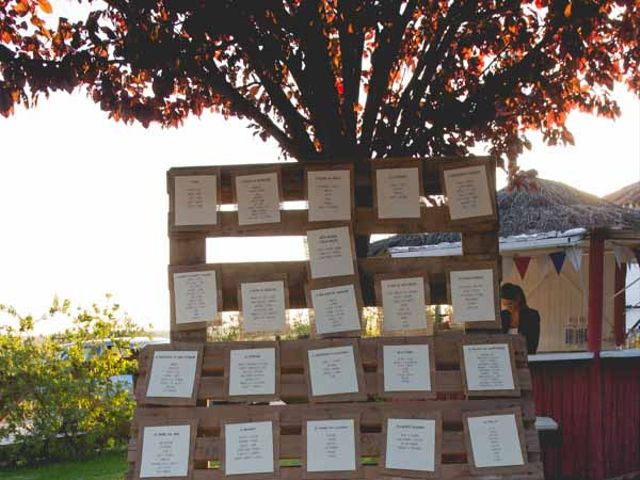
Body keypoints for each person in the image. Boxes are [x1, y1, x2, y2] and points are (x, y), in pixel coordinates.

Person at [500, 283, 540, 354]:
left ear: (518, 300)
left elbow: (533, 343)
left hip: (525, 356)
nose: (508, 307)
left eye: (510, 304)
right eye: (505, 304)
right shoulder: (503, 315)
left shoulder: (532, 315)